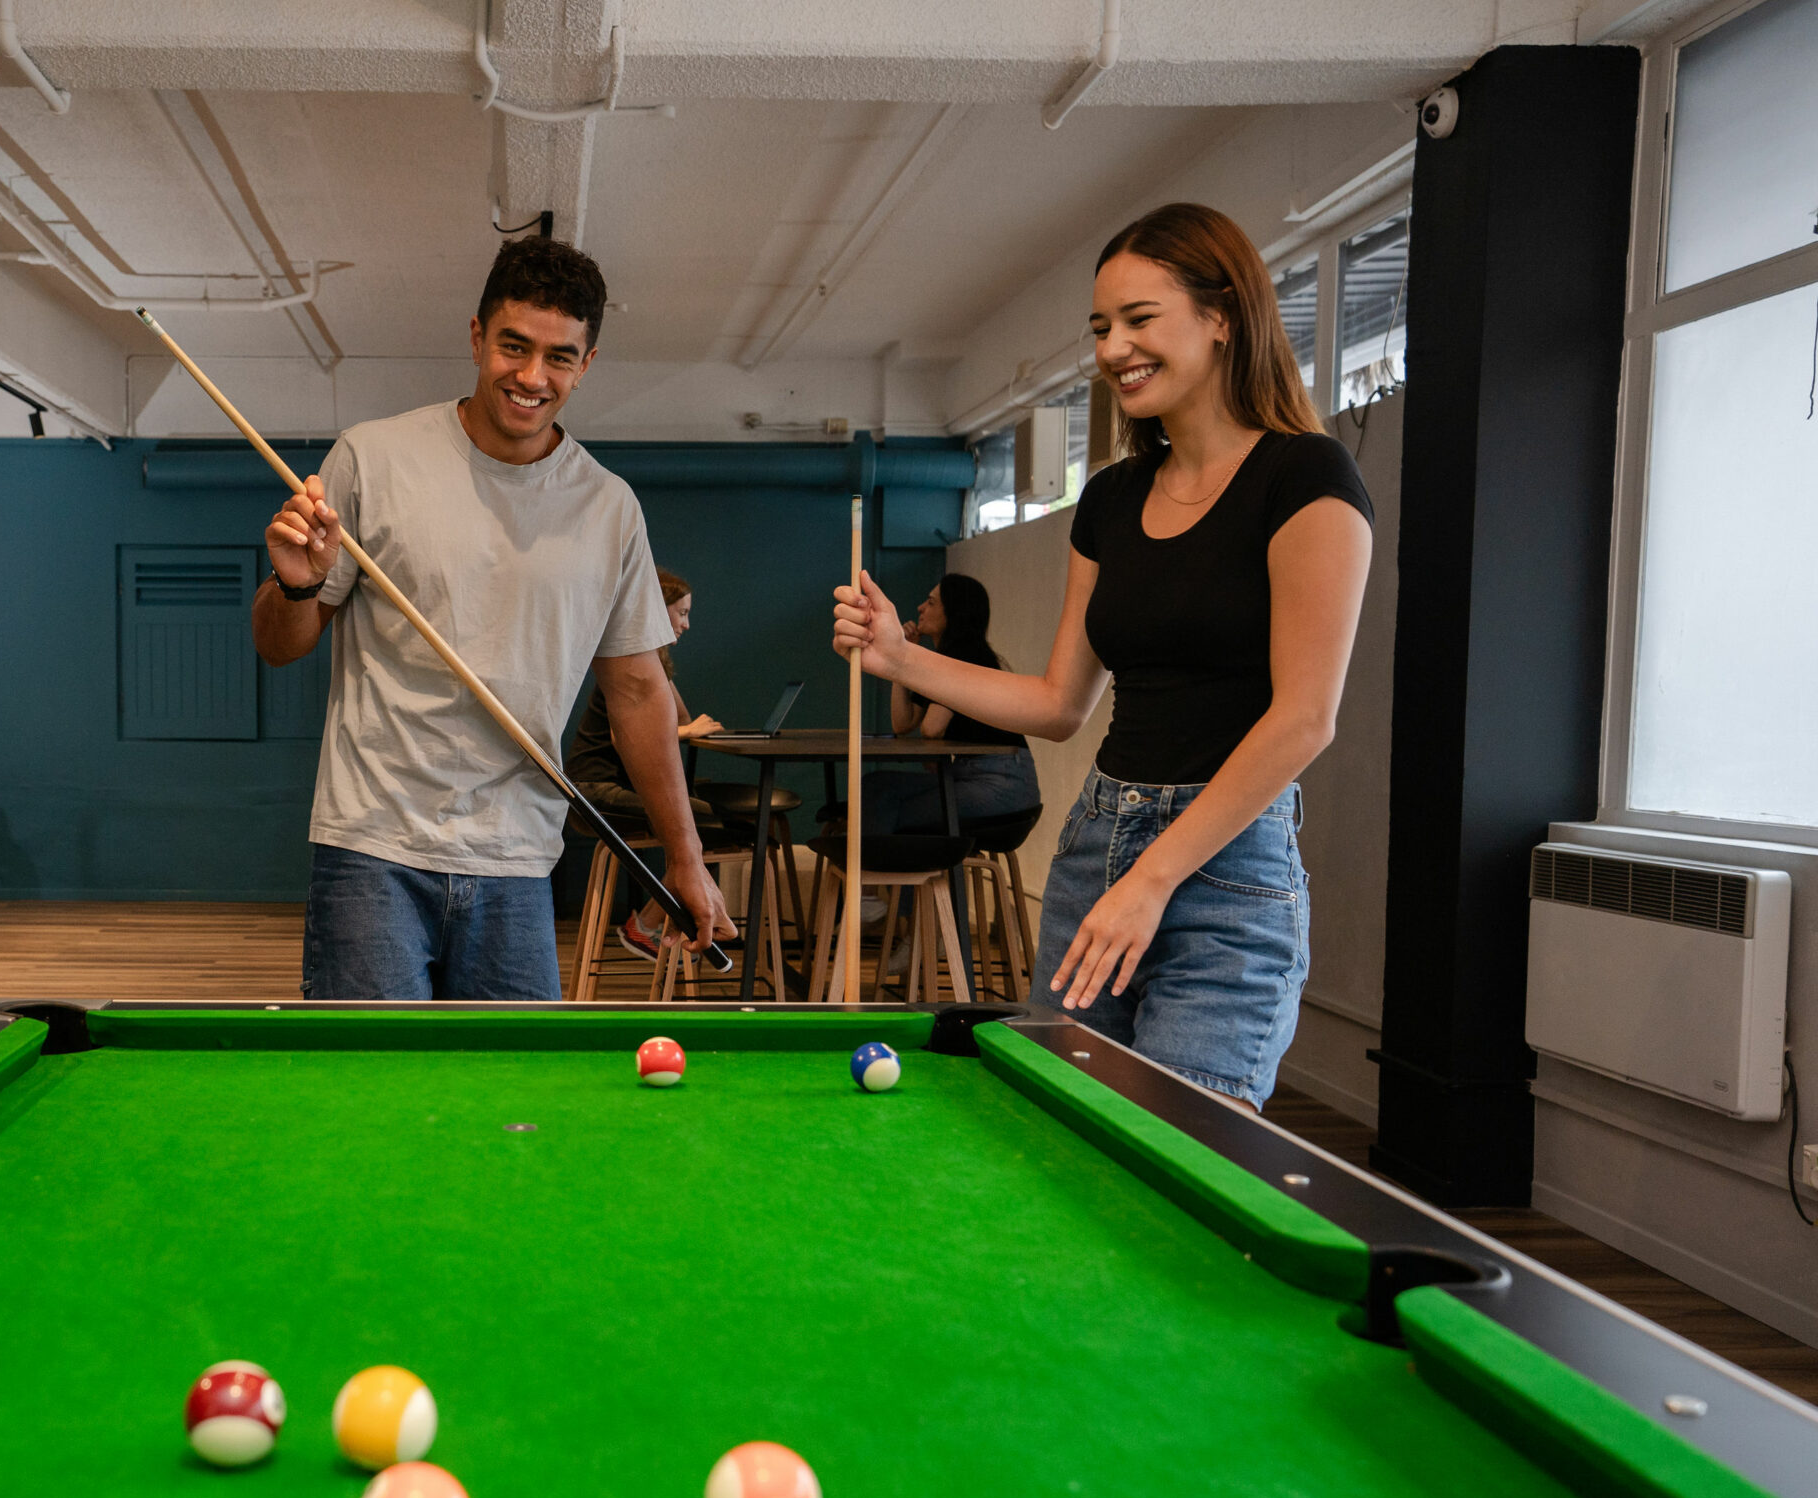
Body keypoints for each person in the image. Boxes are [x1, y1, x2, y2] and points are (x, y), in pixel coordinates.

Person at [832, 202, 1372, 1109]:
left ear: (1221, 317)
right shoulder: (1114, 497)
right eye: (1100, 327)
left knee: (1185, 1143)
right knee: (1061, 1136)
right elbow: (1057, 703)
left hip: (1226, 874)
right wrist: (899, 656)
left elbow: (1304, 718)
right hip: (1097, 843)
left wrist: (1154, 878)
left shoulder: (1305, 476)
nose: (1113, 347)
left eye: (1138, 319)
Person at [254, 236, 733, 1000]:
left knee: (518, 1108)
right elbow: (280, 645)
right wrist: (299, 588)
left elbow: (639, 691)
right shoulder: (372, 458)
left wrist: (685, 854)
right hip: (374, 843)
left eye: (559, 357)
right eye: (513, 345)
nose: (532, 376)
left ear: (588, 363)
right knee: (372, 1102)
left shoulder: (609, 509)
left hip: (517, 856)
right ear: (477, 337)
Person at [565, 568, 724, 959]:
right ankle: (645, 925)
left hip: (614, 791)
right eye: (680, 613)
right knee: (701, 819)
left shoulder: (652, 660)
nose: (686, 624)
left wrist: (678, 718)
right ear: (656, 611)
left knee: (695, 818)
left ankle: (651, 922)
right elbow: (628, 737)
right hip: (593, 793)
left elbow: (680, 718)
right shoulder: (624, 667)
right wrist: (684, 733)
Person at [868, 572, 1042, 834]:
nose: (920, 608)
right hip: (974, 777)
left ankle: (880, 872)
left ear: (954, 612)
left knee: (884, 804)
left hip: (1001, 783)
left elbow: (931, 728)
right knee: (877, 787)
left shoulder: (965, 656)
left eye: (931, 602)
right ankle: (880, 871)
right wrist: (899, 658)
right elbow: (903, 723)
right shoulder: (944, 659)